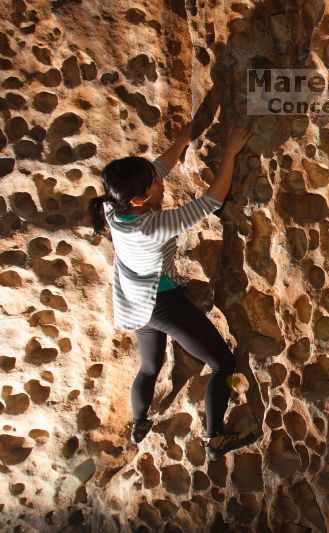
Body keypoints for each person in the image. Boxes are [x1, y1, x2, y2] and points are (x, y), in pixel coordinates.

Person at [87, 121, 255, 461]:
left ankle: (138, 423)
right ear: (139, 198)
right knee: (222, 363)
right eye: (156, 184)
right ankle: (215, 441)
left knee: (150, 366)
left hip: (133, 301)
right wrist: (231, 154)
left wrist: (181, 142)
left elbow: (156, 168)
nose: (162, 182)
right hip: (158, 303)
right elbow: (211, 200)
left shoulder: (112, 205)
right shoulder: (152, 227)